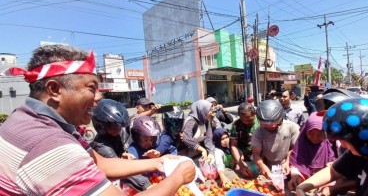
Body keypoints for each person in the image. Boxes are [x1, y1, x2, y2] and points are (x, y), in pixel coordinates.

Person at [0, 45, 195, 195]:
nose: (99, 97)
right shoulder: (49, 144)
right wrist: (177, 178)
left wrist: (158, 162)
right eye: (92, 87)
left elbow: (99, 163)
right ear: (54, 90)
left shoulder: (28, 118)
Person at [296, 97, 368, 196]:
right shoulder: (357, 153)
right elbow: (333, 171)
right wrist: (302, 187)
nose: (342, 144)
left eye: (345, 140)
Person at [90, 99, 152, 191]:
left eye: (119, 126)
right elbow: (118, 168)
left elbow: (134, 119)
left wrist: (122, 154)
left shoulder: (117, 134)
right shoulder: (101, 146)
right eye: (113, 126)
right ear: (101, 125)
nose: (118, 129)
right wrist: (147, 185)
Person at [287, 112, 336, 191]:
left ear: (325, 133)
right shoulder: (301, 145)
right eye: (311, 133)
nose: (315, 138)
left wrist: (329, 186)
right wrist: (295, 175)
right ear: (305, 131)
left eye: (319, 134)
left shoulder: (334, 145)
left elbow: (338, 169)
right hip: (305, 186)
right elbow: (296, 164)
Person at [251, 100, 300, 179]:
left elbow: (294, 149)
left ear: (280, 118)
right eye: (265, 124)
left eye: (273, 124)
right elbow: (256, 154)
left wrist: (287, 162)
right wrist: (262, 166)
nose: (270, 126)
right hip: (269, 167)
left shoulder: (291, 127)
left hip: (289, 164)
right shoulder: (258, 132)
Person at [229, 103, 260, 177]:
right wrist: (241, 164)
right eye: (243, 120)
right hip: (242, 156)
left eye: (249, 119)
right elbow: (233, 145)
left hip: (260, 155)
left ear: (254, 114)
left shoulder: (261, 123)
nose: (246, 122)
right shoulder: (236, 124)